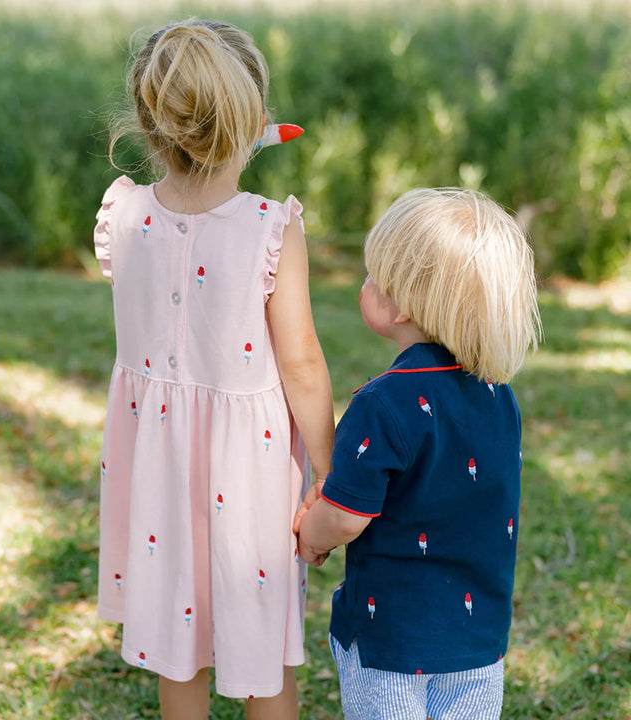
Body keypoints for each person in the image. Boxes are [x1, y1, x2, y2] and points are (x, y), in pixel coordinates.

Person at [93, 19, 335, 720]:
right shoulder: (270, 228)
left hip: (157, 471)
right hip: (249, 474)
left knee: (179, 642)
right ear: (253, 121)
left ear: (148, 121)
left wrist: (216, 140)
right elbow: (303, 362)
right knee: (261, 652)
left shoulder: (125, 214)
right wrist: (327, 469)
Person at [297, 188, 542, 720]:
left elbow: (342, 517)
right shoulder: (501, 398)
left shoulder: (382, 403)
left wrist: (310, 537)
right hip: (478, 644)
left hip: (390, 641)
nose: (363, 284)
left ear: (400, 303)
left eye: (371, 275)